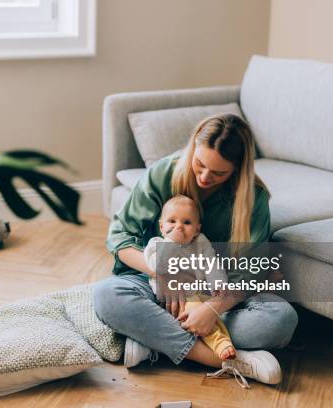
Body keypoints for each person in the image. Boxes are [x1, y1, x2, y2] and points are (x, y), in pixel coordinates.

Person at [93, 113, 298, 387]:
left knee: (281, 319)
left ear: (238, 168)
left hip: (216, 293)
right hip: (157, 288)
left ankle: (153, 340)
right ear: (192, 149)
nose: (204, 177)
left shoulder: (254, 198)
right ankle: (225, 359)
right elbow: (119, 237)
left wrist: (212, 310)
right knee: (107, 295)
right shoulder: (163, 173)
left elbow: (253, 270)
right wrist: (163, 272)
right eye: (199, 164)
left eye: (218, 172)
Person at [144, 194, 236, 361]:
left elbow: (211, 264)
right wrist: (171, 242)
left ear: (197, 229)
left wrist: (218, 284)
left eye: (187, 223)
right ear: (161, 226)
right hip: (170, 299)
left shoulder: (200, 242)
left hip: (199, 294)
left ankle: (152, 347)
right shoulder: (156, 244)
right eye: (172, 221)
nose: (179, 227)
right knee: (194, 309)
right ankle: (221, 343)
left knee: (210, 313)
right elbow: (157, 266)